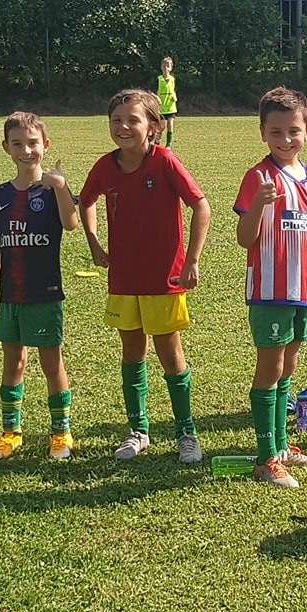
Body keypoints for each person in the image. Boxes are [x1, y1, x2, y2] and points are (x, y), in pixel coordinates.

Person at [80, 88, 211, 463]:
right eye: (116, 120)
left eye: (132, 120)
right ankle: (138, 430)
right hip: (124, 279)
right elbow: (85, 200)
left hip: (163, 279)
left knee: (170, 353)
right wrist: (94, 242)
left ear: (153, 126)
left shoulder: (164, 161)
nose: (123, 127)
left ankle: (186, 432)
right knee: (132, 352)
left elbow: (201, 205)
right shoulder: (105, 166)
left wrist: (192, 261)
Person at [233, 86, 307, 489]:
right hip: (271, 291)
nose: (285, 139)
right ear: (262, 133)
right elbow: (244, 237)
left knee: (289, 366)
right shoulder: (258, 177)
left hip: (304, 292)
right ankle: (264, 458)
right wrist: (258, 203)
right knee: (271, 367)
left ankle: (280, 444)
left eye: (293, 131)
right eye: (276, 132)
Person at [0, 112, 81, 460]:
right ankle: (11, 432)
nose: (27, 150)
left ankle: (61, 433)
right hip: (12, 293)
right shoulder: (2, 194)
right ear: (6, 148)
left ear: (45, 145)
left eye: (33, 143)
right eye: (18, 144)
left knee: (51, 364)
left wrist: (60, 185)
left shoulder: (53, 189)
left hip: (45, 292)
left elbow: (71, 224)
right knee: (14, 363)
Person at [156, 57, 178, 149]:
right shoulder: (158, 79)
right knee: (161, 127)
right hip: (161, 107)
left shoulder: (172, 79)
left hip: (170, 106)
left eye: (168, 66)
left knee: (170, 124)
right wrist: (157, 98)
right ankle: (157, 142)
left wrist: (174, 96)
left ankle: (168, 145)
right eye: (164, 65)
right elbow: (152, 92)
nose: (166, 68)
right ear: (161, 67)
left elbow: (173, 90)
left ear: (171, 68)